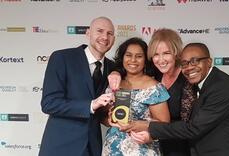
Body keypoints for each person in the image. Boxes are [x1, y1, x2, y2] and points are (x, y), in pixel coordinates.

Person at [120, 43, 229, 156]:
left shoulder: (221, 87)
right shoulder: (202, 83)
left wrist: (148, 126)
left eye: (195, 61)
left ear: (209, 62)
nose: (189, 67)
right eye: (184, 63)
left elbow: (193, 128)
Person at [108, 28, 195, 156]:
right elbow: (130, 67)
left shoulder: (187, 79)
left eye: (166, 53)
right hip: (125, 145)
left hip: (178, 144)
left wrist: (148, 132)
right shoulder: (157, 72)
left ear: (176, 53)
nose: (161, 59)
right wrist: (115, 72)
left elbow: (189, 125)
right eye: (156, 54)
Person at [39, 16, 116, 156]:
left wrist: (108, 117)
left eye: (110, 33)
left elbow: (100, 111)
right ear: (88, 33)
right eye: (100, 31)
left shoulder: (113, 68)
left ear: (113, 39)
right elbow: (49, 103)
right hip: (61, 147)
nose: (105, 37)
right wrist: (91, 105)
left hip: (93, 147)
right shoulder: (62, 58)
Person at [102, 37, 170, 156]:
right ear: (122, 57)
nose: (133, 60)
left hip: (142, 148)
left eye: (139, 56)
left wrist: (138, 125)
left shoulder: (154, 88)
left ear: (145, 60)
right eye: (128, 55)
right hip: (112, 148)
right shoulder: (114, 83)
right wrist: (108, 119)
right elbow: (104, 119)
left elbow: (164, 125)